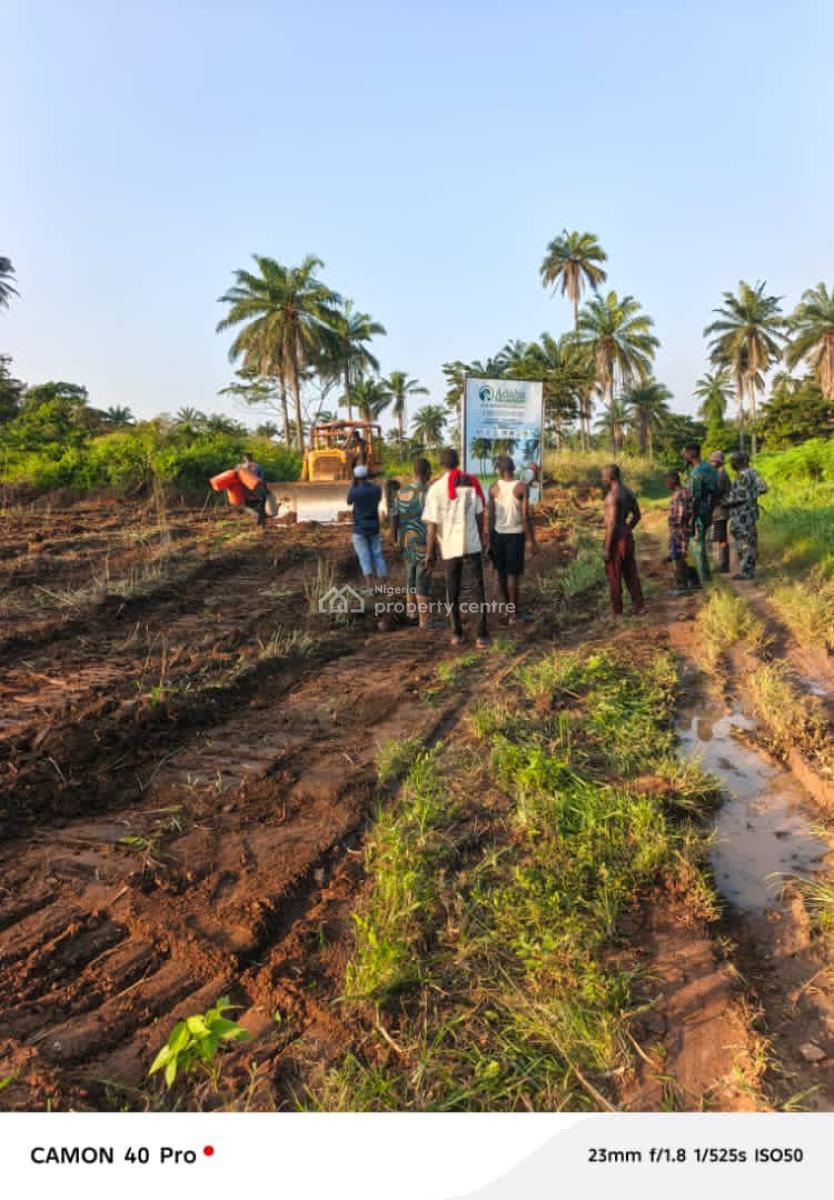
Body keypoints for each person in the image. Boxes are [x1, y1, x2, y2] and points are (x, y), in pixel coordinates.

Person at [424, 447, 491, 648]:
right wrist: (481, 538)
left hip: (450, 547)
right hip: (471, 544)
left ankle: (457, 633)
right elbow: (480, 514)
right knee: (478, 590)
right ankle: (482, 635)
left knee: (452, 590)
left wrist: (430, 552)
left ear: (441, 465)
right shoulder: (471, 485)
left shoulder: (435, 489)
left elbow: (432, 525)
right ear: (458, 463)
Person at [488, 456, 539, 625]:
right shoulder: (521, 487)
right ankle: (514, 615)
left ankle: (507, 610)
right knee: (512, 575)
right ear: (513, 468)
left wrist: (489, 540)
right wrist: (532, 541)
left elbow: (491, 516)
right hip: (515, 535)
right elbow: (525, 516)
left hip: (498, 535)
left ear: (499, 470)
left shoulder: (493, 488)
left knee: (501, 573)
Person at [390, 457, 432, 629]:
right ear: (428, 473)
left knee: (410, 575)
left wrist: (394, 538)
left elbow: (394, 516)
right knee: (422, 578)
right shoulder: (431, 493)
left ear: (414, 472)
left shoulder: (400, 493)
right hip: (424, 541)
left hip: (406, 540)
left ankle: (411, 613)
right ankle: (424, 621)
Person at [601, 464, 645, 617]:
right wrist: (627, 529)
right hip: (626, 535)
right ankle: (640, 606)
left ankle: (617, 612)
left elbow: (612, 523)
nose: (603, 478)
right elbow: (637, 516)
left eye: (604, 475)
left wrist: (607, 548)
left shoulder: (612, 496)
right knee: (631, 572)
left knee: (614, 575)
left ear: (611, 476)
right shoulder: (628, 492)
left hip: (615, 538)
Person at [683, 442, 720, 583]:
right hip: (708, 510)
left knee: (698, 546)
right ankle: (706, 577)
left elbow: (695, 499)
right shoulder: (710, 468)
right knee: (702, 544)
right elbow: (716, 492)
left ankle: (705, 579)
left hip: (697, 513)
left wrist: (691, 520)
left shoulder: (697, 472)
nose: (684, 456)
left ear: (691, 453)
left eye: (685, 453)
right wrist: (710, 512)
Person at [728, 452, 768, 579]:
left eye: (735, 460)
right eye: (732, 461)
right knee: (745, 542)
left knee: (746, 542)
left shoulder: (747, 474)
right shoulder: (748, 474)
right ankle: (746, 570)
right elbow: (762, 488)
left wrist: (749, 498)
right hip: (743, 514)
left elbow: (761, 488)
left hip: (744, 515)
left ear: (744, 461)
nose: (733, 463)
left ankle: (747, 572)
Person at [347, 464, 387, 589]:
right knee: (378, 554)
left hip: (360, 529)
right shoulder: (377, 489)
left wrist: (353, 485)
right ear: (367, 476)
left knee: (364, 556)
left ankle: (371, 587)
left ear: (355, 477)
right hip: (374, 526)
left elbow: (348, 501)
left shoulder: (354, 492)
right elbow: (378, 499)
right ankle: (385, 585)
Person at [665, 470, 699, 594]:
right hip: (683, 527)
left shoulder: (680, 494)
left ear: (672, 481)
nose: (666, 485)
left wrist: (673, 524)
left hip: (680, 528)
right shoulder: (685, 492)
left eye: (667, 482)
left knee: (678, 556)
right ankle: (694, 580)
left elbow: (681, 514)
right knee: (679, 555)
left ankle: (682, 586)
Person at [709, 450, 732, 573]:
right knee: (720, 538)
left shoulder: (720, 474)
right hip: (720, 511)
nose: (711, 463)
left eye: (713, 461)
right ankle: (723, 564)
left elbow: (716, 493)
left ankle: (724, 565)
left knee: (721, 539)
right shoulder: (720, 473)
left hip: (720, 512)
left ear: (718, 462)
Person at [238, 452, 268, 529]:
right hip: (257, 488)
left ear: (244, 458)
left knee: (247, 505)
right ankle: (261, 522)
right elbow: (262, 478)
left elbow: (237, 478)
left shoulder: (240, 467)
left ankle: (260, 520)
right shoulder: (258, 466)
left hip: (246, 490)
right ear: (252, 457)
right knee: (261, 506)